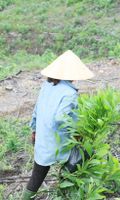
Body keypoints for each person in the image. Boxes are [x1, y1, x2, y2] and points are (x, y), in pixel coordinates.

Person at [22, 50, 94, 200]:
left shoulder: (46, 86)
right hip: (58, 140)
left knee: (38, 174)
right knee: (82, 155)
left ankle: (26, 198)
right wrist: (76, 133)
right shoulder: (69, 93)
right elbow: (61, 118)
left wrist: (34, 130)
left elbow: (36, 110)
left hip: (43, 138)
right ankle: (64, 190)